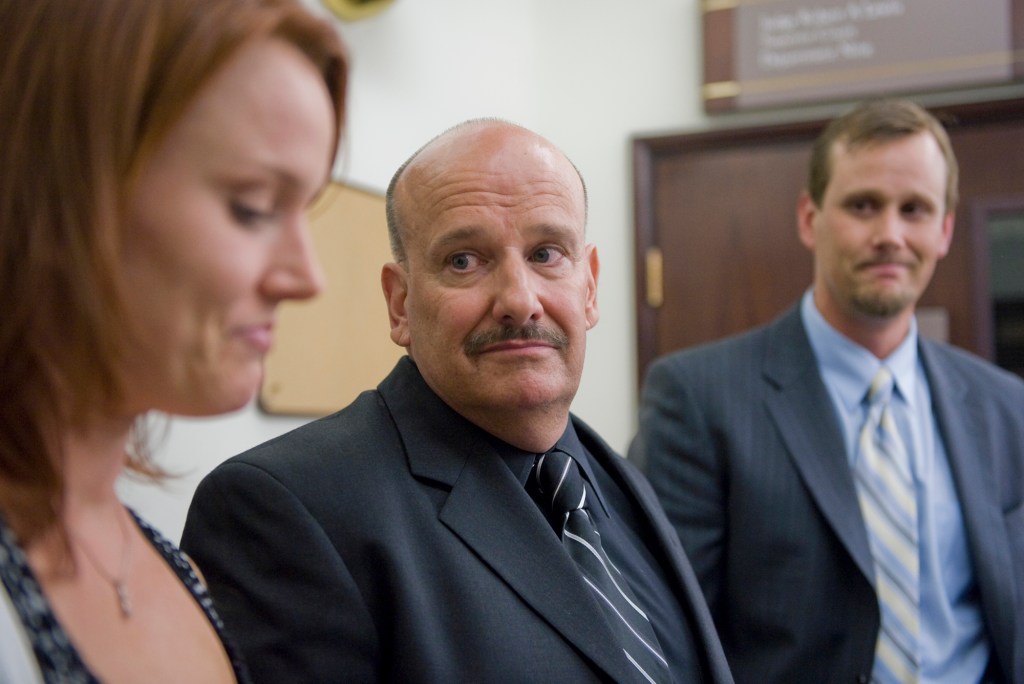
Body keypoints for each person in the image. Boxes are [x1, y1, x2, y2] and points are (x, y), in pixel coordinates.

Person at [181, 119, 734, 683]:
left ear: (589, 287)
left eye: (546, 253)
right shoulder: (285, 510)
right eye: (464, 261)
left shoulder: (616, 483)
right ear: (400, 304)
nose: (520, 301)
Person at [0, 0, 348, 681]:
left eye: (303, 211)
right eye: (252, 206)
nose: (308, 279)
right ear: (57, 184)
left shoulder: (170, 564)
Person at [629, 98, 1024, 684]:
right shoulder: (697, 399)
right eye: (864, 205)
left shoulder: (1006, 407)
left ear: (944, 230)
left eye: (914, 209)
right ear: (809, 219)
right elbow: (664, 639)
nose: (890, 234)